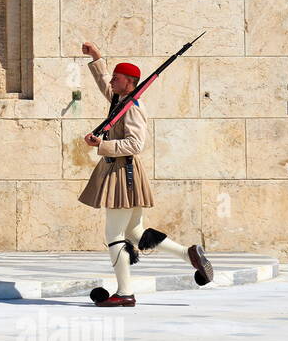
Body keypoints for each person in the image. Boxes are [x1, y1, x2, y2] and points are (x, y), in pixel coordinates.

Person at [77, 41, 213, 307]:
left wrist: (101, 145)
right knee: (137, 234)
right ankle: (188, 254)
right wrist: (96, 57)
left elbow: (136, 144)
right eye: (113, 78)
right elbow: (104, 82)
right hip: (123, 171)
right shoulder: (119, 101)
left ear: (129, 82)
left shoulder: (134, 108)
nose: (112, 83)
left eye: (117, 79)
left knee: (114, 235)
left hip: (123, 174)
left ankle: (124, 292)